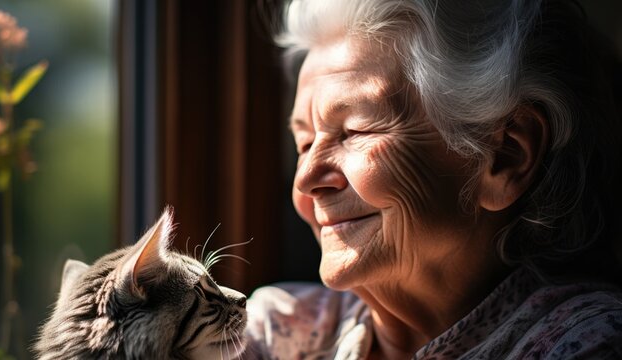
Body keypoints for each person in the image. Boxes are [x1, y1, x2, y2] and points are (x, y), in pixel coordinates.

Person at [245, 0, 622, 358]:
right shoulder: (274, 332)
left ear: (506, 156)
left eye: (357, 131)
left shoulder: (587, 343)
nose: (307, 180)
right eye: (305, 142)